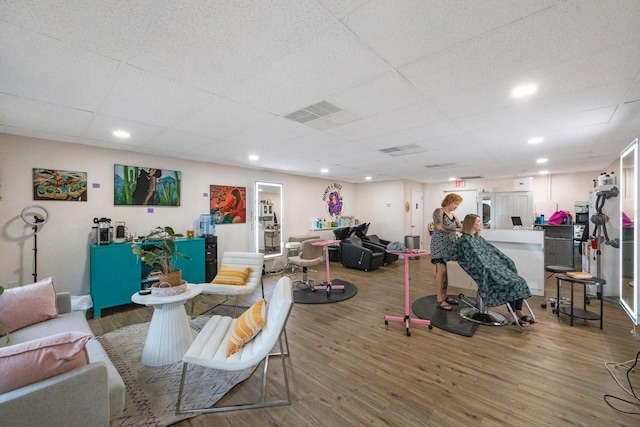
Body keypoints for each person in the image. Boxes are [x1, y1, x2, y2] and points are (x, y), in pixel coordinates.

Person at [451, 214, 534, 326]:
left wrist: (505, 262)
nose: (481, 224)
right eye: (478, 221)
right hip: (482, 271)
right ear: (471, 224)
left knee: (519, 281)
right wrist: (489, 268)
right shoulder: (465, 241)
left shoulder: (477, 238)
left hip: (493, 268)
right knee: (512, 284)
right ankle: (511, 315)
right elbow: (473, 260)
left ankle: (518, 311)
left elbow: (493, 253)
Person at [430, 193, 463, 310]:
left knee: (448, 272)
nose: (456, 206)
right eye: (455, 203)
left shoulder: (454, 216)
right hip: (439, 245)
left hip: (450, 246)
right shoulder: (438, 212)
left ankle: (445, 295)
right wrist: (456, 229)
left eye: (457, 205)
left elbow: (461, 227)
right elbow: (439, 227)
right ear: (449, 201)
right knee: (441, 270)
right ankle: (439, 298)